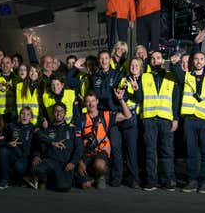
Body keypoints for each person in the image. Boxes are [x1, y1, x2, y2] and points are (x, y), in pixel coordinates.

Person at [134, 51, 181, 191]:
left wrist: (176, 119)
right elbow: (138, 99)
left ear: (163, 60)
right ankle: (151, 181)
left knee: (166, 151)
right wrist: (136, 90)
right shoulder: (144, 77)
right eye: (153, 59)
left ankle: (167, 180)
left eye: (158, 58)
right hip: (149, 119)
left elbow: (175, 100)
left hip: (166, 119)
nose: (155, 60)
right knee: (149, 151)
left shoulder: (171, 76)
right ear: (150, 61)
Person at [179, 51, 205, 193]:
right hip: (189, 120)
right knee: (191, 153)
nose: (198, 61)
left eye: (201, 59)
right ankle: (191, 181)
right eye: (196, 59)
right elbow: (175, 70)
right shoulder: (186, 76)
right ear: (193, 61)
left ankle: (204, 182)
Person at [76, 89, 131, 190]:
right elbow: (77, 143)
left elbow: (127, 115)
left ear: (97, 101)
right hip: (86, 154)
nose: (91, 104)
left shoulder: (106, 115)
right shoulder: (81, 119)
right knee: (85, 186)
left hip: (101, 152)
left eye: (93, 101)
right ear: (84, 103)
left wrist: (121, 99)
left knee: (99, 165)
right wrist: (80, 162)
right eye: (88, 101)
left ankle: (100, 176)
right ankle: (91, 178)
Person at [31, 103, 83, 191]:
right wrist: (36, 155)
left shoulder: (72, 129)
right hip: (50, 161)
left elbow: (79, 148)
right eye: (56, 111)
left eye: (61, 111)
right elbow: (38, 143)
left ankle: (54, 181)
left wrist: (73, 162)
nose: (58, 113)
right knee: (36, 168)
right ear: (53, 113)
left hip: (65, 163)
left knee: (63, 187)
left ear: (65, 113)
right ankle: (44, 181)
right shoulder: (47, 128)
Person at [117, 58, 144, 188]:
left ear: (141, 67)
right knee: (131, 150)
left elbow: (141, 98)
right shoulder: (124, 80)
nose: (134, 67)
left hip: (143, 119)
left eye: (137, 65)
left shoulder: (145, 79)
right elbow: (123, 98)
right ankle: (134, 179)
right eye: (132, 65)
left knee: (142, 150)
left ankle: (142, 176)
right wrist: (134, 91)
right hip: (130, 118)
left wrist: (137, 89)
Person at [0, 107, 36, 189]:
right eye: (22, 113)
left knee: (19, 168)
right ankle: (4, 180)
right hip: (13, 154)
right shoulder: (11, 126)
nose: (25, 116)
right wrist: (8, 143)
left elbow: (37, 146)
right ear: (19, 115)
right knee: (3, 150)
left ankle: (24, 177)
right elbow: (0, 140)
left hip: (25, 158)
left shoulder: (34, 129)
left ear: (31, 118)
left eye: (28, 114)